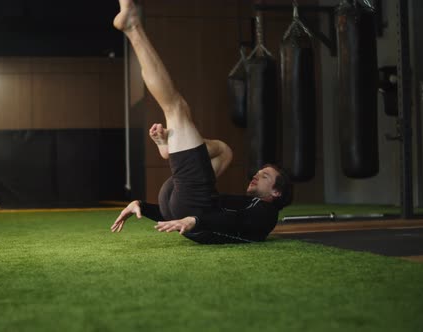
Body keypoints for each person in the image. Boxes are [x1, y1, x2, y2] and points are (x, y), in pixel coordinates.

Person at [110, 0, 293, 244]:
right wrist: (143, 207)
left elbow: (234, 223)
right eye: (260, 172)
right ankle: (170, 148)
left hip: (193, 207)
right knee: (225, 152)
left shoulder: (265, 212)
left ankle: (133, 28)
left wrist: (195, 220)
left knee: (176, 108)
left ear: (276, 192)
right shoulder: (251, 205)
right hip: (182, 204)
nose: (257, 176)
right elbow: (207, 216)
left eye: (265, 177)